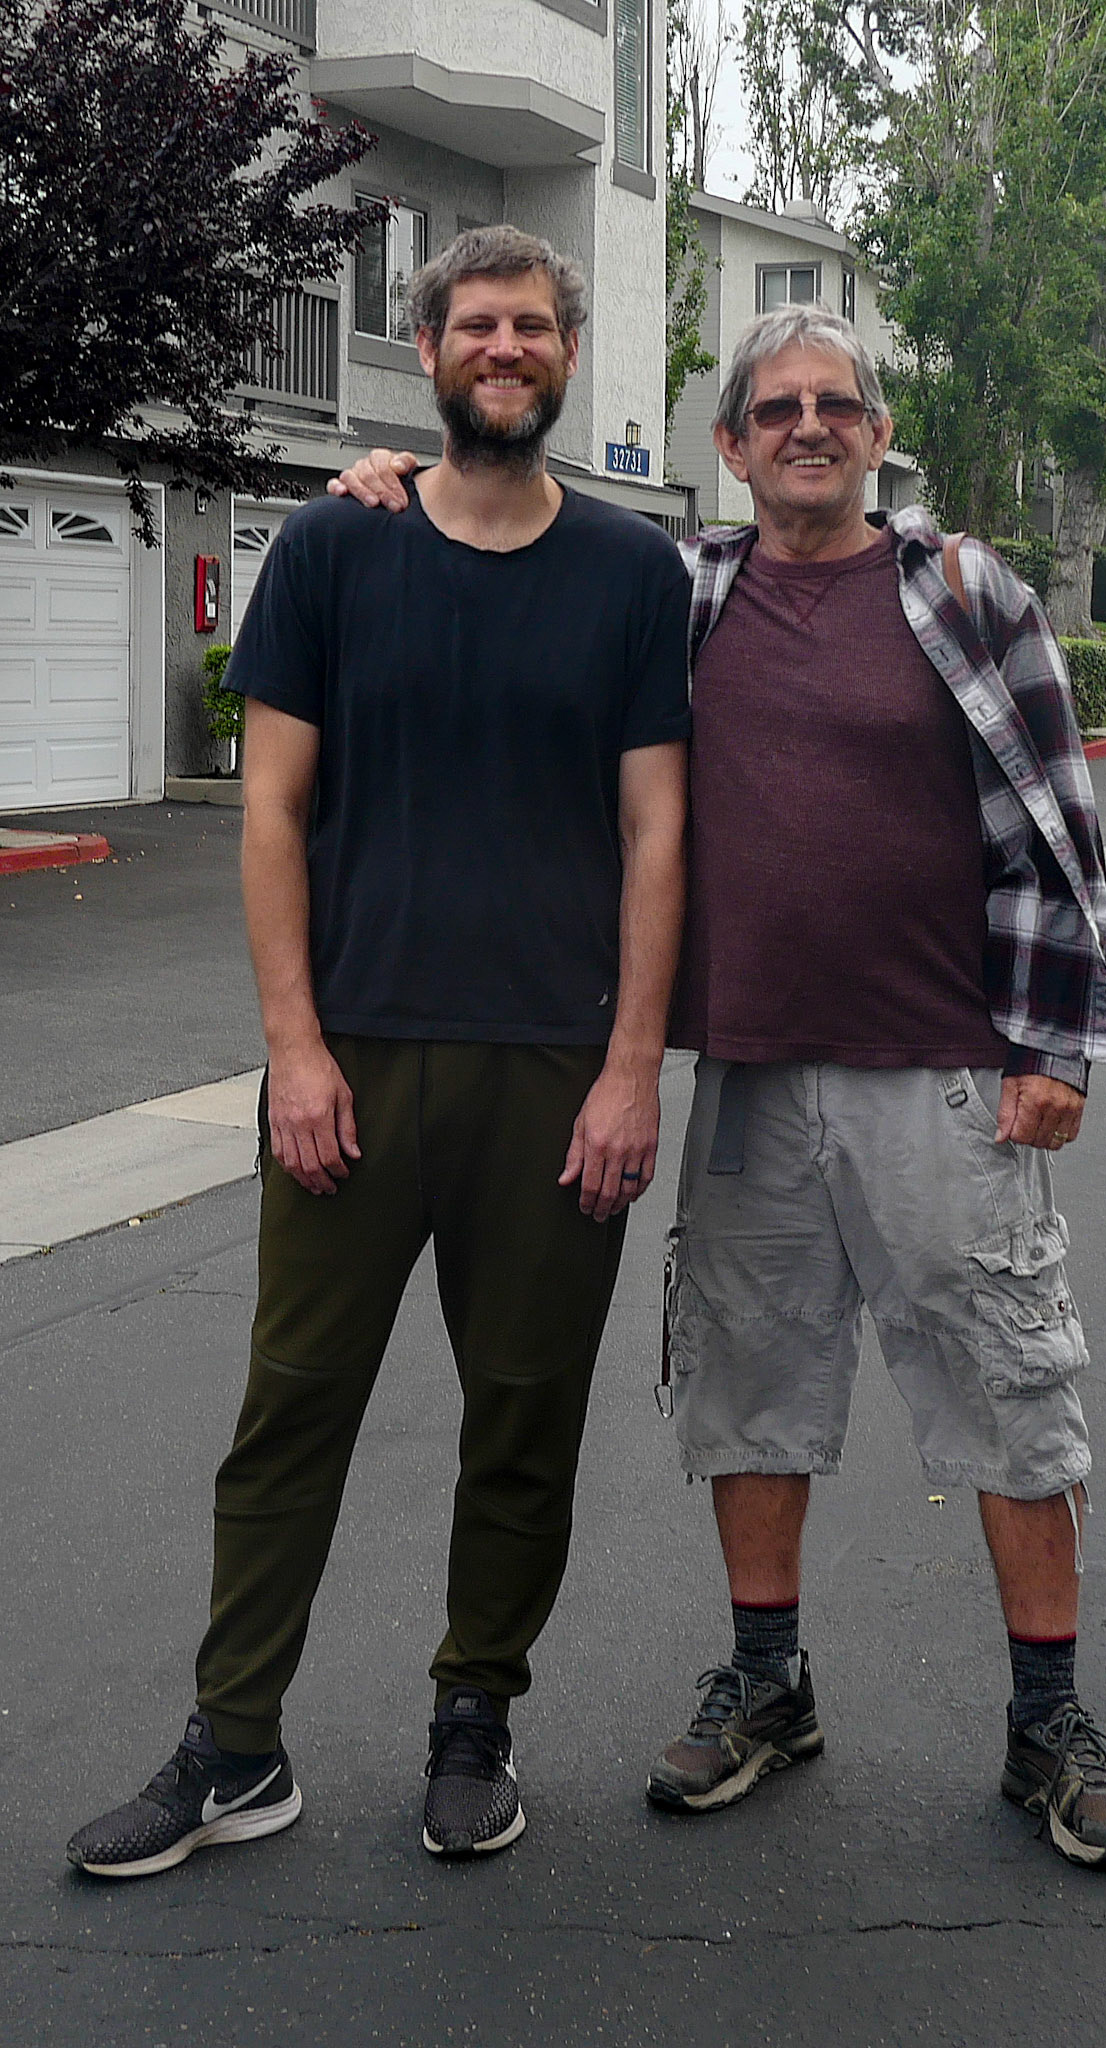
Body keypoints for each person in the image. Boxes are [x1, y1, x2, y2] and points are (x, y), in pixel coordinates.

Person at [330, 303, 1106, 1869]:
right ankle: (768, 1687)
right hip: (750, 1077)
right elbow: (513, 537)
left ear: (877, 431)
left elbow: (1058, 821)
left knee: (1010, 1390)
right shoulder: (681, 591)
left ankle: (1048, 1721)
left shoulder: (963, 591)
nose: (806, 428)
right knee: (747, 1393)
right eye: (774, 409)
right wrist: (388, 486)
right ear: (729, 446)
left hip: (942, 1077)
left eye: (834, 404)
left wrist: (1052, 1050)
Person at [65, 226, 690, 1878]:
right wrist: (295, 1048)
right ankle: (236, 1747)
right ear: (428, 351)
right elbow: (270, 814)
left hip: (555, 1074)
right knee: (291, 1410)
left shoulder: (633, 576)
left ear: (567, 355)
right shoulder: (334, 552)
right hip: (352, 1063)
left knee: (525, 1417)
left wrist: (634, 1066)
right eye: (476, 322)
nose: (506, 346)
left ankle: (474, 1720)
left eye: (534, 324)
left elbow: (657, 834)